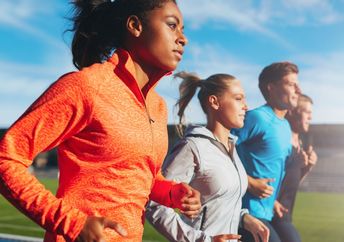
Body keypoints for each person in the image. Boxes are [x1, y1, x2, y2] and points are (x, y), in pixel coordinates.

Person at [0, 1, 202, 241]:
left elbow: (138, 175)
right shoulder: (86, 87)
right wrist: (72, 224)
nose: (183, 39)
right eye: (172, 25)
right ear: (135, 26)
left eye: (182, 29)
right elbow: (6, 159)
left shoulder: (158, 107)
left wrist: (170, 192)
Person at [146, 72, 270, 242]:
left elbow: (218, 201)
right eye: (238, 98)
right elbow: (155, 205)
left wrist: (243, 218)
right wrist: (201, 240)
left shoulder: (231, 147)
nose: (246, 106)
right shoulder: (192, 147)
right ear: (214, 102)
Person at [231, 62, 301, 242]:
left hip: (267, 211)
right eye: (291, 84)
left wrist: (274, 201)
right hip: (245, 211)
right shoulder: (257, 117)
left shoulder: (285, 126)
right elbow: (220, 147)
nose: (298, 90)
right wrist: (249, 181)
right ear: (271, 87)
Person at [272, 94, 317, 242]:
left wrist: (307, 167)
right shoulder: (278, 139)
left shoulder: (301, 144)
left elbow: (292, 182)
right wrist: (270, 201)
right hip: (269, 212)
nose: (310, 117)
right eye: (307, 112)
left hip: (285, 215)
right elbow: (265, 175)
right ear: (292, 112)